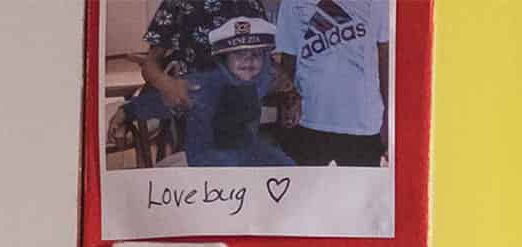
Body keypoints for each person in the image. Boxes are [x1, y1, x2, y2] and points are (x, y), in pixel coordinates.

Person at [135, 1, 289, 169]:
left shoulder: (252, 4)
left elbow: (264, 57)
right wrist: (167, 84)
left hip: (241, 104)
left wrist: (290, 92)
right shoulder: (177, 3)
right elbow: (150, 65)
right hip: (193, 103)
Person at [274, 0, 390, 168]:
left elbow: (385, 56)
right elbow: (288, 59)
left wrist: (388, 117)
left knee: (357, 192)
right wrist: (288, 105)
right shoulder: (292, 3)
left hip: (363, 123)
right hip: (309, 119)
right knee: (310, 192)